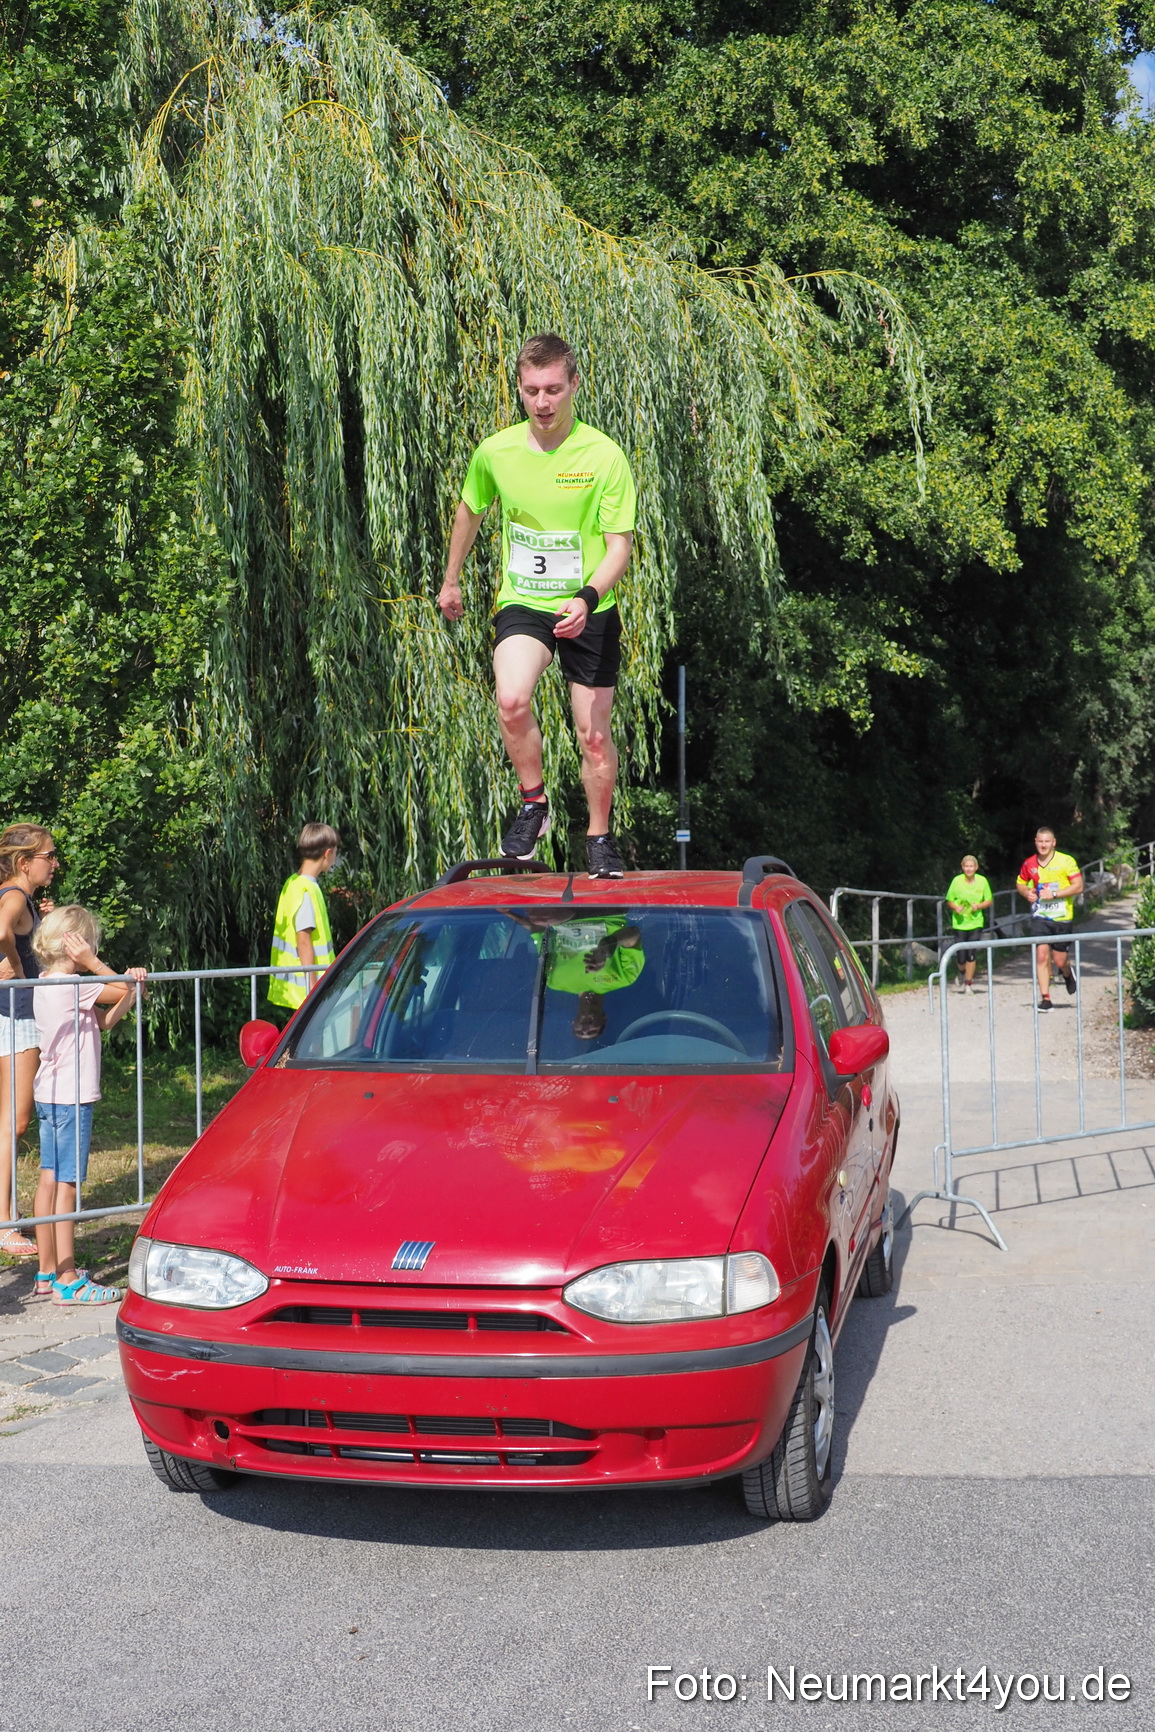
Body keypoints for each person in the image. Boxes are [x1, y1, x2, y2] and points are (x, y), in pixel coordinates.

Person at [438, 332, 636, 879]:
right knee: (510, 698)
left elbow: (619, 545)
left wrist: (588, 596)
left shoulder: (603, 455)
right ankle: (534, 804)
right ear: (520, 391)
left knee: (593, 735)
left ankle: (599, 838)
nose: (543, 402)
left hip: (590, 604)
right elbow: (470, 510)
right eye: (531, 391)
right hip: (523, 599)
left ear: (574, 384)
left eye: (553, 389)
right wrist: (451, 579)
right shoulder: (496, 451)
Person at [31, 905, 146, 1305]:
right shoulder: (75, 984)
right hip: (71, 1097)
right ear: (76, 945)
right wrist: (96, 964)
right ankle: (67, 1277)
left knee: (50, 1178)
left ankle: (48, 1270)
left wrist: (130, 989)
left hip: (50, 1093)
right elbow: (110, 987)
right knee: (66, 1185)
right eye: (90, 943)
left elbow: (105, 1020)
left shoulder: (47, 982)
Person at [0, 824, 58, 1258]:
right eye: (49, 856)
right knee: (14, 1122)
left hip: (16, 1015)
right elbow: (3, 930)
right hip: (16, 1017)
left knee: (11, 1121)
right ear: (25, 862)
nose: (54, 864)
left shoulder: (21, 897)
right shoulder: (14, 895)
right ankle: (5, 1223)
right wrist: (17, 968)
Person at [508, 909, 644, 1039]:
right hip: (606, 909)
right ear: (604, 1018)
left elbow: (541, 935)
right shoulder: (625, 978)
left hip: (561, 913)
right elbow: (633, 933)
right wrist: (609, 944)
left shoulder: (554, 982)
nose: (585, 1028)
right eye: (592, 1031)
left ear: (574, 1022)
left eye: (579, 1031)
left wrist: (509, 913)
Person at [268, 823, 340, 1013]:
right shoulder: (306, 890)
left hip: (294, 988)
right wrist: (313, 987)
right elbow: (304, 940)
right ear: (328, 853)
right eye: (335, 853)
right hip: (307, 990)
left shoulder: (292, 883)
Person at [1016, 826, 1083, 1009]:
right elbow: (1020, 883)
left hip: (1062, 916)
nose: (1043, 845)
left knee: (1059, 959)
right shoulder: (1029, 864)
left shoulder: (1066, 861)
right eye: (1040, 841)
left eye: (1047, 841)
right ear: (1035, 842)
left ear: (1054, 842)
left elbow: (1078, 886)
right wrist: (1026, 893)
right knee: (1041, 955)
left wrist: (1054, 894)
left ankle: (1067, 973)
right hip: (1040, 916)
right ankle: (1046, 999)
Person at [944, 854, 993, 993]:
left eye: (971, 866)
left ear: (976, 867)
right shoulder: (957, 881)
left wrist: (979, 906)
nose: (969, 869)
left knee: (971, 953)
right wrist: (955, 907)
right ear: (962, 867)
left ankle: (968, 983)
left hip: (976, 922)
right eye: (966, 866)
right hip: (959, 923)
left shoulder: (982, 881)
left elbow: (989, 900)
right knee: (961, 957)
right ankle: (962, 972)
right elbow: (949, 900)